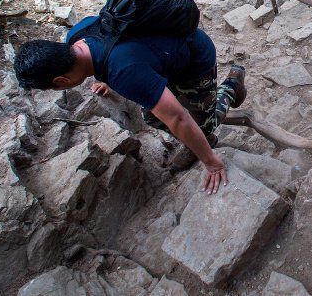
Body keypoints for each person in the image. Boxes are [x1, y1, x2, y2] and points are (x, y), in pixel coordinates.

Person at [13, 14, 245, 195]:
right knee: (152, 116)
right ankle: (200, 138)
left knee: (202, 125)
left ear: (61, 81)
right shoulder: (77, 36)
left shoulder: (124, 72)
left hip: (194, 58)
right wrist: (107, 80)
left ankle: (232, 85)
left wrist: (211, 162)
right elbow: (118, 45)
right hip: (162, 58)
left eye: (57, 88)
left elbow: (178, 117)